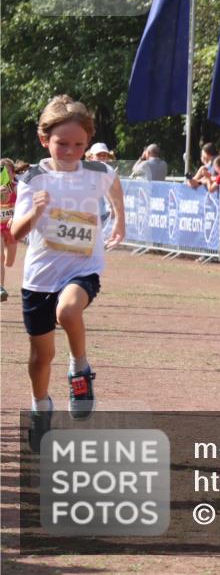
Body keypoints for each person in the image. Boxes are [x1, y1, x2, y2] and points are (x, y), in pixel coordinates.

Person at [11, 95, 125, 452]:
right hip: (40, 276)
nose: (71, 151)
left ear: (88, 142)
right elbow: (15, 231)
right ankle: (40, 406)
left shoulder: (97, 172)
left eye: (79, 144)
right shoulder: (33, 177)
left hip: (83, 268)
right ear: (45, 140)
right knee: (40, 357)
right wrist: (35, 212)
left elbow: (115, 184)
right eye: (63, 144)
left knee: (69, 311)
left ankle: (80, 369)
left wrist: (119, 217)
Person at [1, 158, 29, 302]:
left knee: (9, 262)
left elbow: (25, 203)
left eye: (6, 171)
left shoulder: (18, 187)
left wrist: (17, 216)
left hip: (12, 227)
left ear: (13, 173)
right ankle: (0, 287)